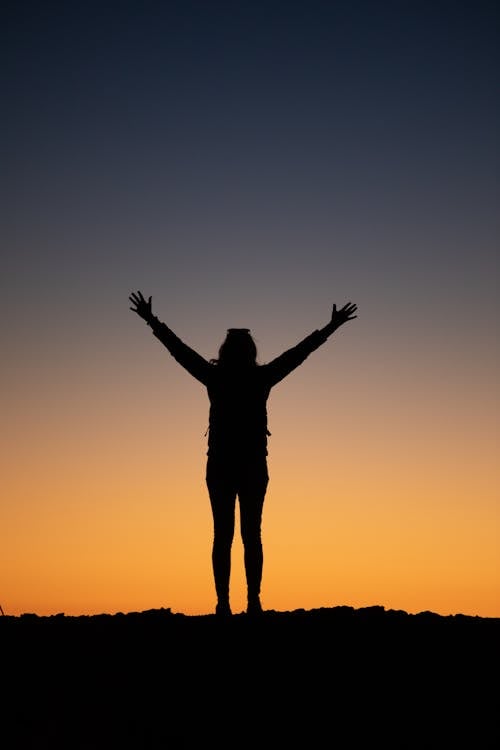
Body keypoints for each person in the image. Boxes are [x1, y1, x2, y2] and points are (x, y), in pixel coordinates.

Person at [129, 291, 357, 617]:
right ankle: (251, 602)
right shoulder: (259, 377)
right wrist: (331, 327)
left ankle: (227, 603)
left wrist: (152, 320)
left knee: (225, 536)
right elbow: (299, 354)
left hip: (224, 465)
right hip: (248, 466)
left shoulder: (217, 376)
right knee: (250, 535)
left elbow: (179, 352)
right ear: (251, 351)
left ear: (225, 351)